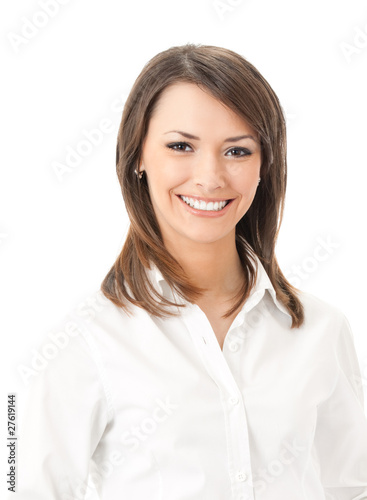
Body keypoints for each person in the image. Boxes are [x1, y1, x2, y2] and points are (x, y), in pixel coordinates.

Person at [14, 43, 367, 500]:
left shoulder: (322, 329)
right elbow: (21, 487)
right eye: (181, 146)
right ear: (138, 155)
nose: (210, 177)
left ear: (266, 164)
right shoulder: (81, 337)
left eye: (237, 151)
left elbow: (350, 486)